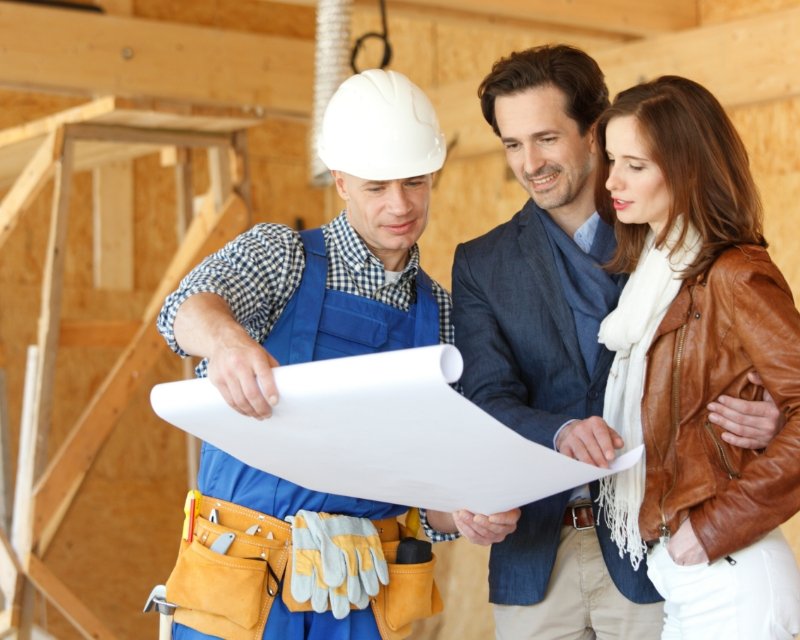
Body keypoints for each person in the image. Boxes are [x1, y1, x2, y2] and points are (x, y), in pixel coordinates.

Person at [423, 45, 786, 639]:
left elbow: (737, 366)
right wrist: (559, 430)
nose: (530, 163)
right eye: (512, 144)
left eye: (546, 138)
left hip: (657, 552)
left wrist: (773, 416)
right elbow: (486, 398)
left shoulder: (670, 237)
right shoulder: (482, 263)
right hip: (535, 554)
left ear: (594, 132)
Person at [155, 68, 519, 640]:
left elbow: (428, 495)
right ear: (342, 181)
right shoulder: (282, 257)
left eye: (414, 182)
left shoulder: (443, 319)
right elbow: (184, 308)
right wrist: (226, 343)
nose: (400, 204)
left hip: (360, 600)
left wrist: (465, 513)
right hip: (243, 593)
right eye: (377, 188)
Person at [593, 74, 800, 639]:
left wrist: (710, 529)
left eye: (635, 165)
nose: (612, 181)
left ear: (685, 169)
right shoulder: (653, 279)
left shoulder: (734, 275)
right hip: (685, 576)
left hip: (730, 573)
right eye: (612, 160)